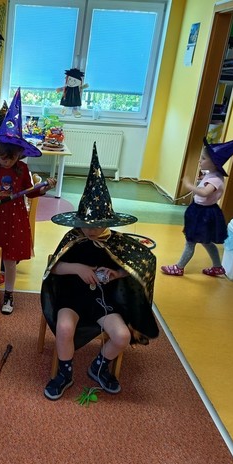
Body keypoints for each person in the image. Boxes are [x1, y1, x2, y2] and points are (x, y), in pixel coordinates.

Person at [41, 143, 159, 401]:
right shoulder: (74, 237)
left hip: (104, 302)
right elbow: (53, 268)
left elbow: (140, 265)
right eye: (86, 225)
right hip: (72, 298)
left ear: (108, 222)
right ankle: (64, 373)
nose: (91, 231)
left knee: (122, 335)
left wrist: (117, 273)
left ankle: (99, 366)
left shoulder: (117, 242)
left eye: (97, 226)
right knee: (64, 328)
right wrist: (77, 268)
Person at [0, 89, 56, 314]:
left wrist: (43, 189)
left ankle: (8, 294)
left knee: (9, 259)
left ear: (19, 155)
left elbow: (29, 193)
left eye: (13, 157)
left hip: (15, 219)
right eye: (3, 157)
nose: (7, 162)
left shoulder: (22, 169)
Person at [161, 135, 233, 277]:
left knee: (191, 241)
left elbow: (205, 193)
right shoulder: (212, 175)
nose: (200, 161)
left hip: (203, 214)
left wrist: (190, 186)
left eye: (203, 158)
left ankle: (179, 267)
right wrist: (202, 178)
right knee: (206, 242)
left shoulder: (215, 179)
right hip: (201, 211)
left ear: (214, 163)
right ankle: (217, 267)